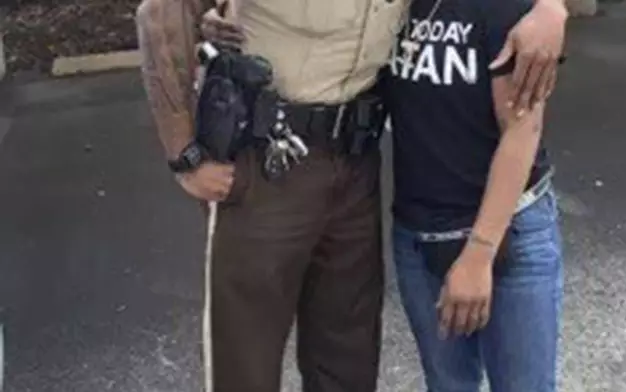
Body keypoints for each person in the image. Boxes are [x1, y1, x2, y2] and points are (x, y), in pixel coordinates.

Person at [134, 0, 567, 390]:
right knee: (247, 361)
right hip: (269, 165)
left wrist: (550, 7)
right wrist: (184, 154)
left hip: (356, 166)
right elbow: (161, 15)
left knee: (347, 359)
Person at [384, 0, 566, 391]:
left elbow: (522, 131)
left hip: (510, 233)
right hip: (419, 235)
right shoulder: (388, 8)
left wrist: (479, 254)